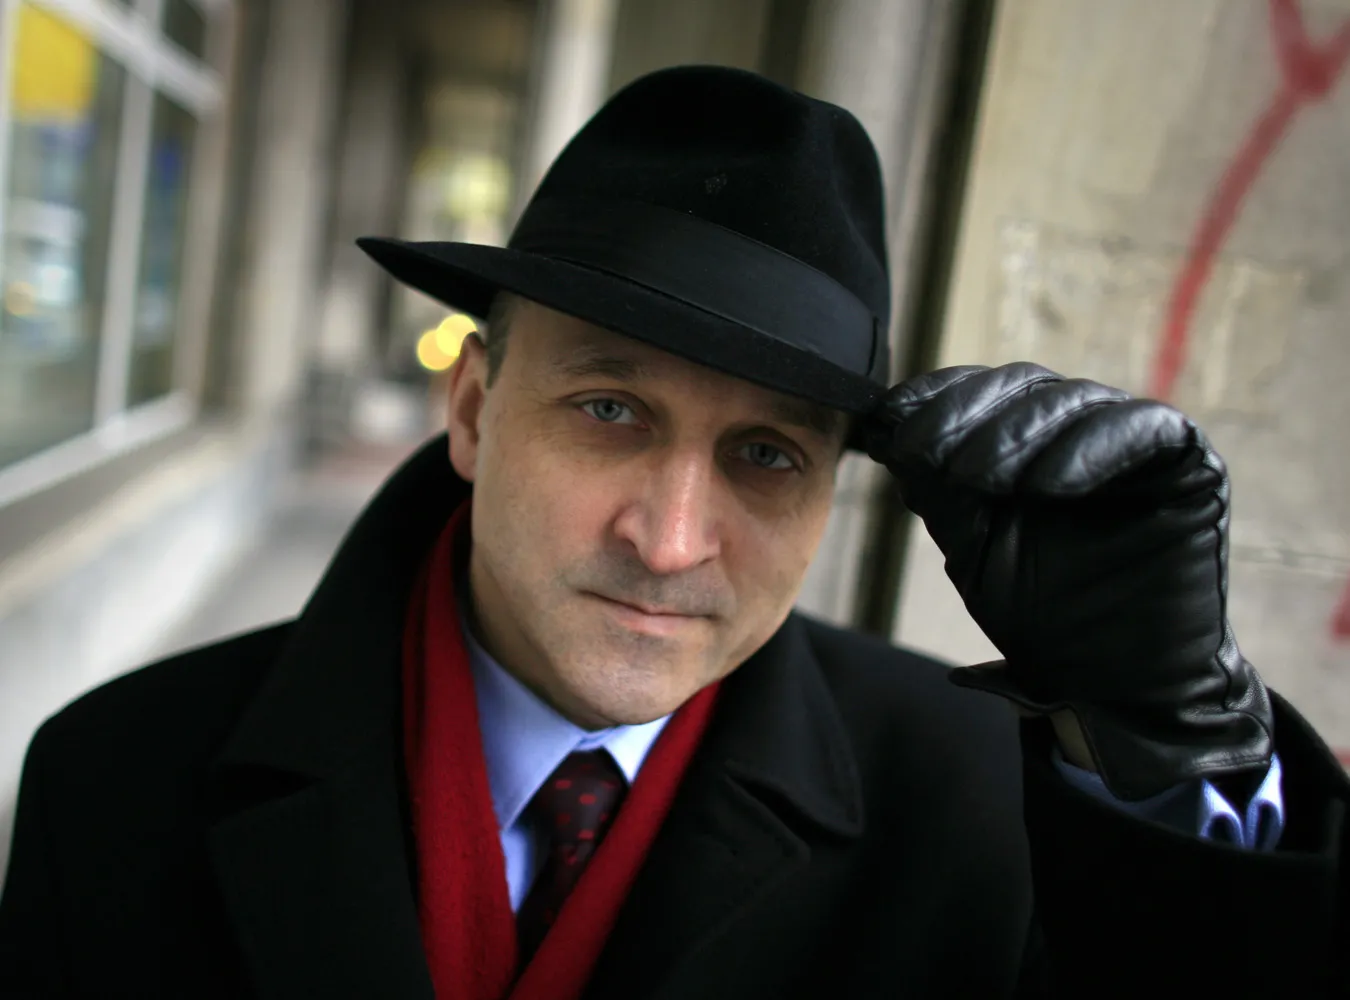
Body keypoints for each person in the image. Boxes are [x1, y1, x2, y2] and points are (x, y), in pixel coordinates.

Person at [0, 65, 1346, 1000]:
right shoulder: (113, 785)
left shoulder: (982, 809)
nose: (670, 538)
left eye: (766, 454)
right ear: (472, 409)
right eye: (610, 410)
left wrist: (1169, 753)